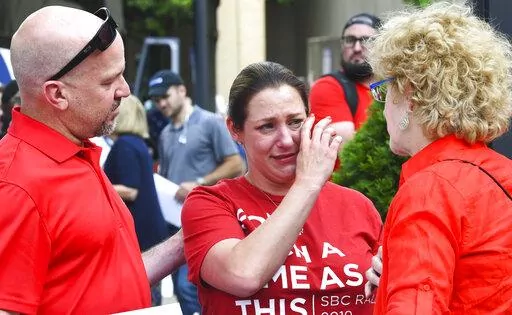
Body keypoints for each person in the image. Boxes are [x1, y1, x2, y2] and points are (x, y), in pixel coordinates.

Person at [0, 6, 184, 314]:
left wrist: (184, 241)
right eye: (108, 81)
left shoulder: (77, 151)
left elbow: (103, 280)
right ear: (57, 95)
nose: (125, 90)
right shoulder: (17, 185)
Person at [181, 61, 383, 314]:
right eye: (267, 126)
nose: (286, 140)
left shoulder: (356, 205)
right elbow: (243, 275)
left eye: (295, 122)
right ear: (235, 129)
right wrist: (308, 183)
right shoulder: (211, 203)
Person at [365, 2, 512, 313]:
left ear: (409, 96)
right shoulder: (501, 172)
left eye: (382, 91)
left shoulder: (430, 191)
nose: (383, 107)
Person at [149, 69, 245, 315]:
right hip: (175, 219)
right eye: (156, 99)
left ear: (182, 91)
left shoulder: (210, 122)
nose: (161, 103)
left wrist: (200, 182)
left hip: (208, 218)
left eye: (165, 96)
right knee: (183, 288)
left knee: (188, 285)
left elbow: (236, 164)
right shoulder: (166, 132)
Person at [103, 94, 170, 305]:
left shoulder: (124, 145)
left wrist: (94, 185)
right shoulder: (137, 143)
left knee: (144, 297)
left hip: (139, 234)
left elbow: (130, 190)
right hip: (150, 231)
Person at [309, 13, 381, 157]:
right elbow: (349, 150)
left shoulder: (391, 87)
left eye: (366, 40)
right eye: (350, 40)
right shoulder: (327, 87)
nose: (357, 48)